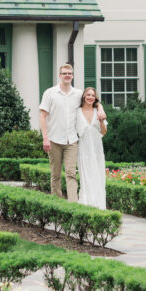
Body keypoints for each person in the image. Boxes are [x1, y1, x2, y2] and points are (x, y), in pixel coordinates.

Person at [39, 63, 106, 201]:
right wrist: (45, 138)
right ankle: (57, 204)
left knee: (71, 174)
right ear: (59, 75)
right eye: (64, 73)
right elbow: (42, 116)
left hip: (72, 141)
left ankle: (73, 206)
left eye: (69, 73)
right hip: (54, 140)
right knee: (55, 175)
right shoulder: (50, 93)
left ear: (73, 76)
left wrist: (100, 108)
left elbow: (92, 99)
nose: (67, 75)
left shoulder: (78, 94)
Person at [75, 87, 107, 209]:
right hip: (83, 150)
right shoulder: (77, 112)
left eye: (93, 95)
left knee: (98, 177)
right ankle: (86, 205)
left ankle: (99, 206)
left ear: (95, 98)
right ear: (84, 96)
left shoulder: (98, 112)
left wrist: (101, 121)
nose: (90, 97)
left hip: (97, 149)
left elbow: (103, 132)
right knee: (86, 178)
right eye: (88, 95)